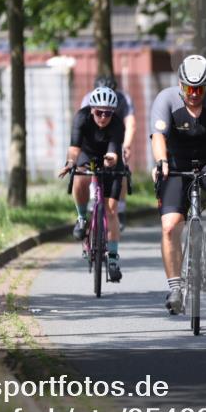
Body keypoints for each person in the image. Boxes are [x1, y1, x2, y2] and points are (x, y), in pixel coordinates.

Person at [150, 55, 206, 314]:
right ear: (180, 84)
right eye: (189, 88)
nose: (194, 94)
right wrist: (162, 162)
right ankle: (175, 288)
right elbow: (158, 137)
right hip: (176, 164)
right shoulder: (166, 98)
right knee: (170, 226)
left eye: (200, 89)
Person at [59, 86, 126, 282]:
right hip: (86, 154)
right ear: (91, 110)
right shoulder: (81, 118)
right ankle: (81, 218)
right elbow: (74, 148)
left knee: (111, 210)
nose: (103, 117)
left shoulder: (117, 125)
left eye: (107, 113)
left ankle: (113, 258)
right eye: (99, 112)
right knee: (80, 177)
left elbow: (114, 153)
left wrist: (111, 160)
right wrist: (70, 163)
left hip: (109, 158)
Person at [80, 75, 135, 229]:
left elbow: (130, 125)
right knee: (84, 168)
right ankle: (89, 203)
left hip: (115, 138)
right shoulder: (87, 99)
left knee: (121, 167)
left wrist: (127, 146)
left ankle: (121, 209)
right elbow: (83, 126)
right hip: (94, 139)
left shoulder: (123, 99)